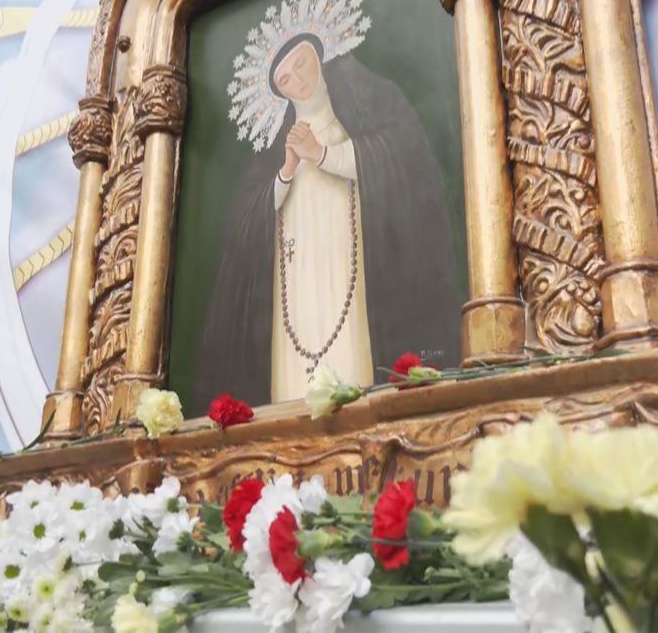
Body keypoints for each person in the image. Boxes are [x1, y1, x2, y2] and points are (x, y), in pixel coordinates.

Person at [191, 26, 463, 413]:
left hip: (350, 273)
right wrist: (286, 171)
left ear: (320, 57)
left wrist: (322, 154)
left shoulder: (368, 103)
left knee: (351, 358)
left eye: (301, 64)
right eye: (285, 78)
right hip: (297, 286)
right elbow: (245, 225)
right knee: (296, 378)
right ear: (278, 91)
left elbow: (400, 154)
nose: (299, 81)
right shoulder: (275, 150)